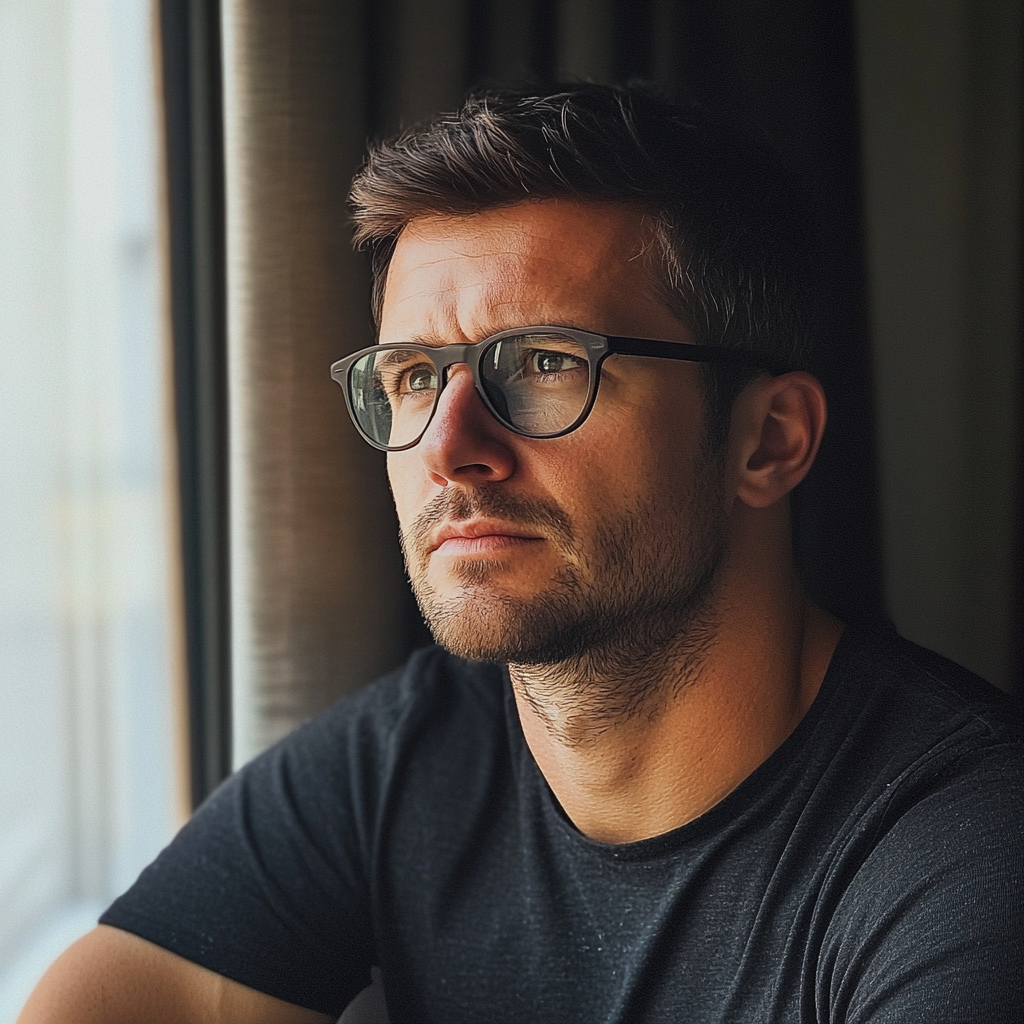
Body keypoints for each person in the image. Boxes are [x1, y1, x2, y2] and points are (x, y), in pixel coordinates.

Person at [20, 85, 1021, 1024]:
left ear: (768, 441)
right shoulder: (412, 759)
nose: (451, 448)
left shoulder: (963, 851)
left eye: (546, 364)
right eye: (413, 376)